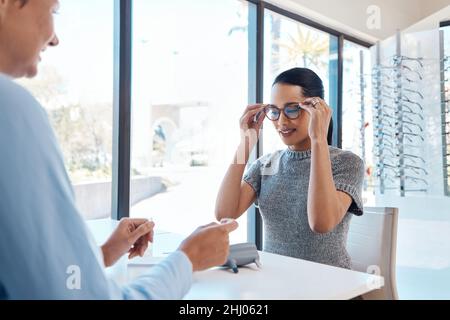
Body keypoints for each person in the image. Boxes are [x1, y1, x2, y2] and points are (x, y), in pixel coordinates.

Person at [0, 0, 238, 299]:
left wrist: (104, 253)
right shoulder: (12, 110)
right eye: (53, 11)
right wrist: (188, 260)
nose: (55, 37)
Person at [216, 67, 364, 269]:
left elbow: (321, 223)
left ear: (317, 110)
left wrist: (318, 139)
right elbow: (225, 213)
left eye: (292, 109)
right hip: (276, 281)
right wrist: (246, 143)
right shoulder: (265, 165)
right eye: (274, 112)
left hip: (330, 286)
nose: (281, 122)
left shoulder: (346, 163)